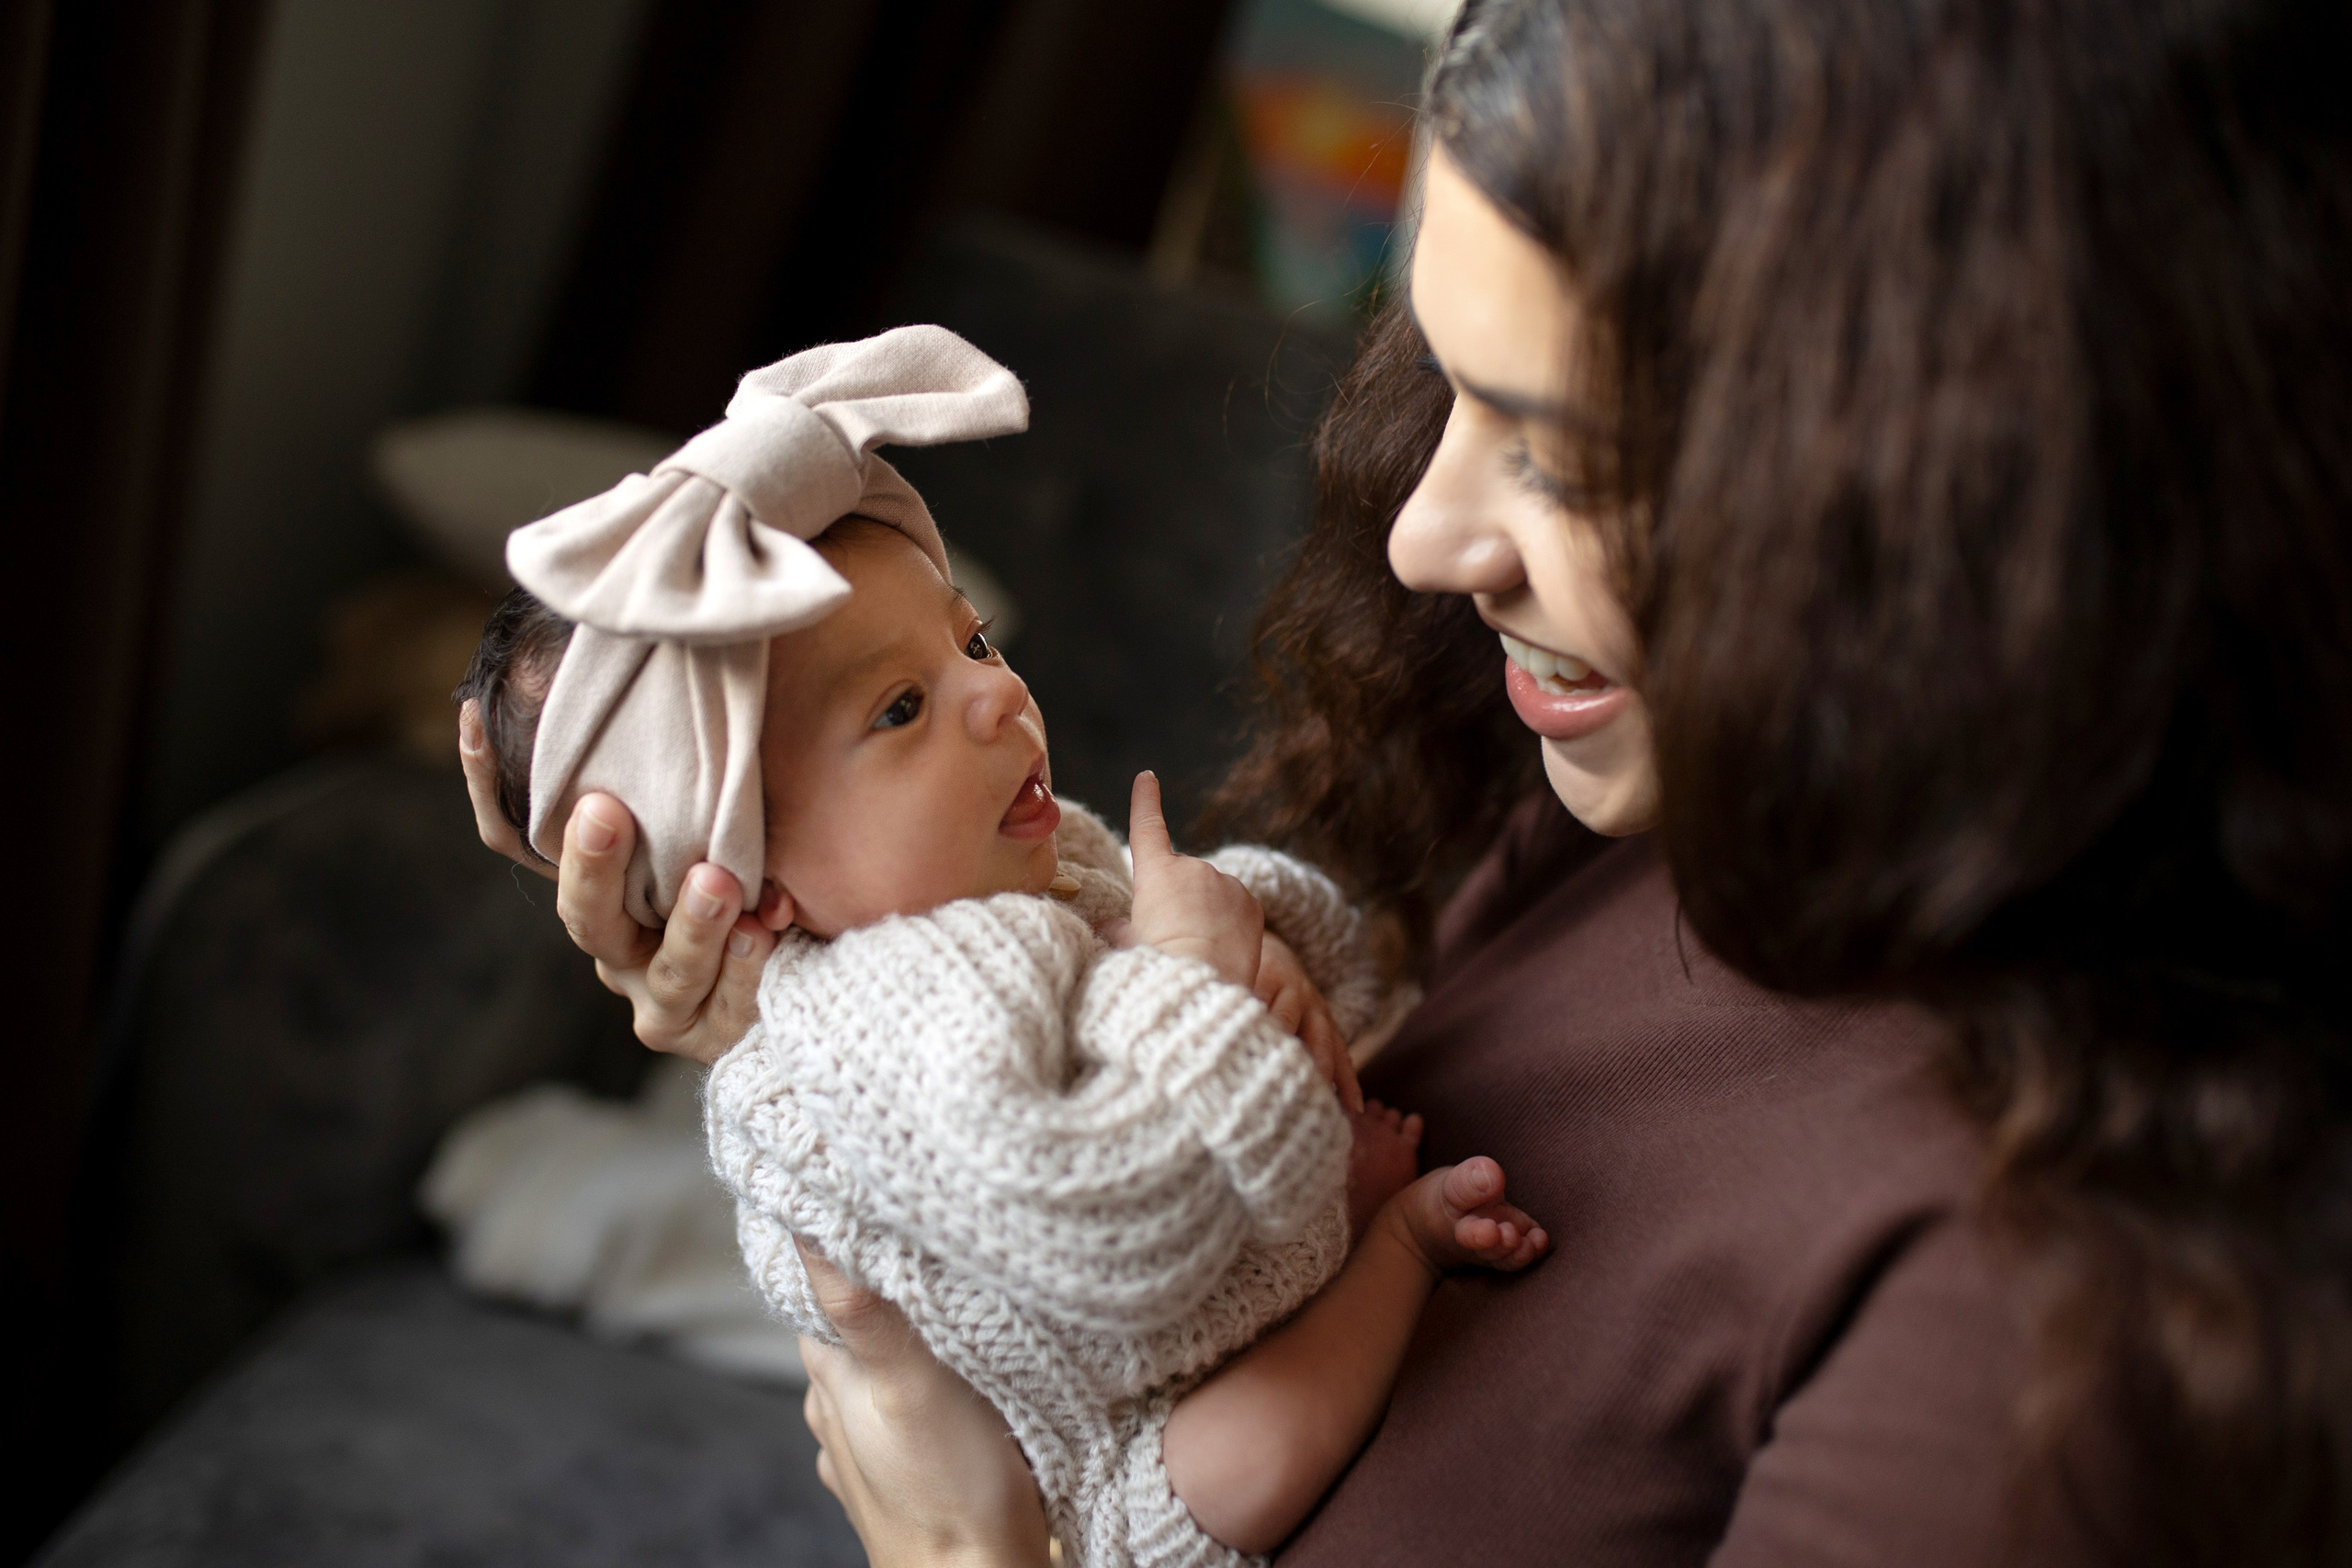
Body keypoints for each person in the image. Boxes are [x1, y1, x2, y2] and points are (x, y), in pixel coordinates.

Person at [463, 0, 2352, 1561]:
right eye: (1444, 378)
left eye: (1560, 449)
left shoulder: (2037, 1350)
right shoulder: (1640, 804)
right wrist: (803, 1017)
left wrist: (962, 1553)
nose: (1430, 534)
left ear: (1986, 499)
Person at [461, 330, 1550, 1566]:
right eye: (901, 710)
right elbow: (1113, 1233)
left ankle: (1346, 1239)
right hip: (1113, 1463)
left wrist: (1244, 920)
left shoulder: (1006, 868)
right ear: (755, 894)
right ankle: (1394, 1250)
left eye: (968, 643)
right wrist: (1197, 978)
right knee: (1234, 1471)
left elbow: (1340, 985)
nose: (1000, 696)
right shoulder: (874, 1021)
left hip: (1215, 1286)